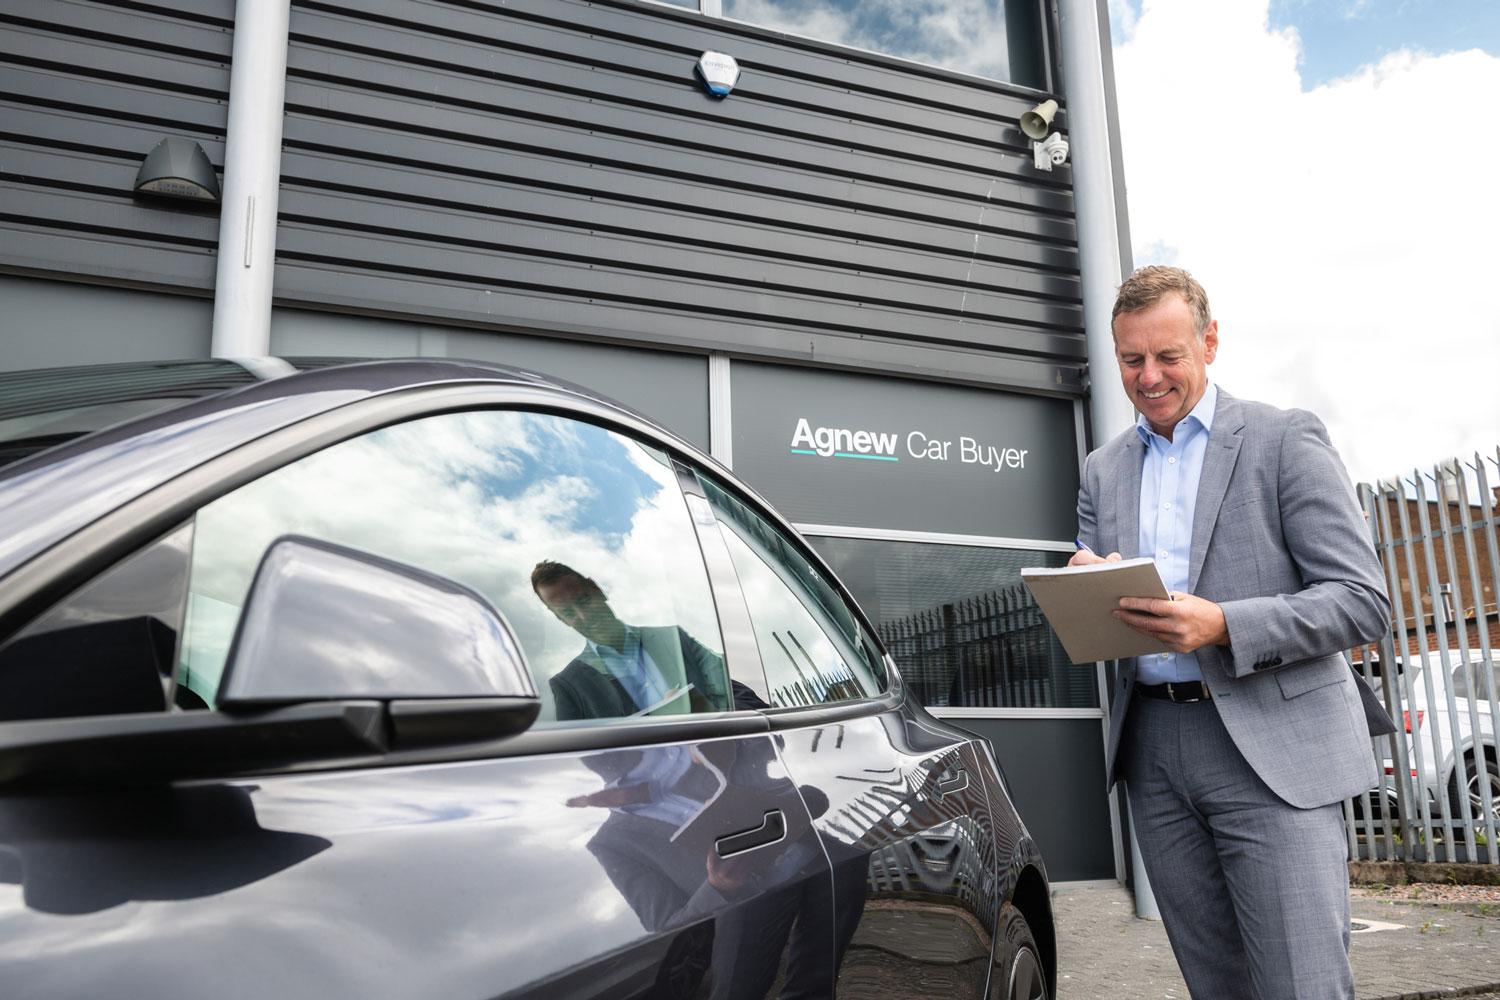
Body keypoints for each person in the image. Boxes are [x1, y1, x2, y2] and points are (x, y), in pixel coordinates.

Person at [1071, 266, 1395, 1000]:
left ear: (1209, 342)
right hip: (1156, 752)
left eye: (1168, 356)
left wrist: (1223, 625)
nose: (1149, 378)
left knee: (1302, 984)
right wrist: (1088, 587)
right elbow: (1106, 619)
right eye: (1131, 360)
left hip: (1271, 746)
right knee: (1218, 986)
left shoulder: (1284, 439)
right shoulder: (1102, 471)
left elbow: (1361, 600)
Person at [531, 560, 735, 720]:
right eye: (567, 612)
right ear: (560, 619)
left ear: (597, 589)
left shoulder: (674, 638)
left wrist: (713, 715)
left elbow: (738, 695)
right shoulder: (568, 685)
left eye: (583, 600)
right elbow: (583, 758)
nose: (583, 616)